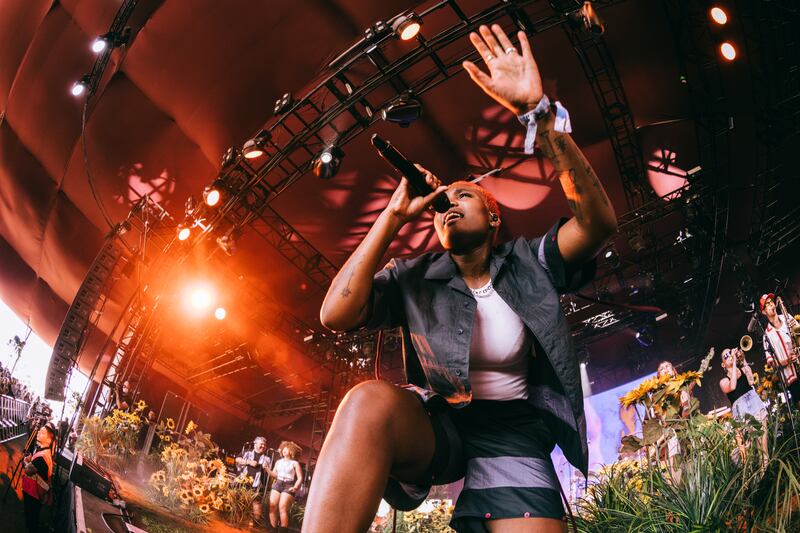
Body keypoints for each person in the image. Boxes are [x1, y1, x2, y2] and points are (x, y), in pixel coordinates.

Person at [303, 24, 617, 533]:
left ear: (494, 218)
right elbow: (334, 313)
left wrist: (541, 114)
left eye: (464, 196)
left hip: (515, 434)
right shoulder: (417, 275)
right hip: (441, 426)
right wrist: (392, 218)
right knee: (367, 402)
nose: (448, 205)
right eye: (441, 203)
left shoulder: (529, 260)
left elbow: (597, 223)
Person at [719, 347, 769, 468]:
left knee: (763, 441)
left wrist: (743, 360)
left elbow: (751, 381)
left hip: (754, 401)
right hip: (741, 409)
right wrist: (735, 361)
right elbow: (733, 386)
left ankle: (766, 471)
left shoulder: (742, 368)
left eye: (730, 353)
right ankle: (754, 475)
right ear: (723, 365)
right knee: (751, 445)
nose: (729, 356)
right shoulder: (723, 381)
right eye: (726, 356)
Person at [760, 293, 800, 406]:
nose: (771, 304)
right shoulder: (766, 336)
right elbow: (772, 365)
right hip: (791, 377)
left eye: (771, 301)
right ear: (764, 312)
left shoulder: (788, 318)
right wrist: (787, 361)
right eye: (767, 304)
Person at [21, 422, 57, 533]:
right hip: (36, 493)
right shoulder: (45, 451)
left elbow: (28, 470)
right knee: (33, 517)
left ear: (48, 440)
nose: (38, 433)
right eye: (39, 431)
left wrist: (25, 461)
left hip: (34, 494)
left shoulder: (42, 457)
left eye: (42, 433)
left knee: (31, 519)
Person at [235, 436, 272, 526]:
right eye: (261, 444)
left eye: (265, 445)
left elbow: (270, 473)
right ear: (255, 444)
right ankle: (237, 519)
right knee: (240, 500)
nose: (263, 446)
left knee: (256, 503)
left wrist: (266, 468)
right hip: (243, 480)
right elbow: (237, 459)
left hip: (257, 484)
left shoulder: (267, 458)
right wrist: (248, 462)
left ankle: (255, 524)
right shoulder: (247, 452)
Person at [267, 441, 303, 533]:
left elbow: (300, 478)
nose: (284, 450)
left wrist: (295, 487)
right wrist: (267, 469)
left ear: (292, 451)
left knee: (282, 508)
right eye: (283, 449)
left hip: (288, 485)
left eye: (287, 449)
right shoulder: (278, 462)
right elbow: (274, 475)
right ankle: (273, 530)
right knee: (272, 506)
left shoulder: (295, 463)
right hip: (278, 483)